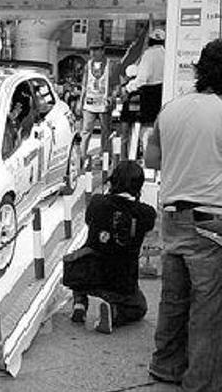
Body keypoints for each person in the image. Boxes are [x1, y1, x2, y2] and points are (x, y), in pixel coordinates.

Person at [147, 39, 222, 391]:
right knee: (213, 311)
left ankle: (166, 368)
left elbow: (154, 160)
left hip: (173, 220)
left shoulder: (172, 108)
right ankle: (203, 383)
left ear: (201, 70)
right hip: (217, 226)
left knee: (174, 302)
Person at [64, 161, 157, 333]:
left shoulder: (97, 202)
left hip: (88, 275)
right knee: (139, 306)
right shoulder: (147, 213)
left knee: (80, 258)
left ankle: (80, 302)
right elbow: (149, 231)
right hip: (121, 282)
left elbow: (88, 222)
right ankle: (114, 313)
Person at [123, 29, 166, 158]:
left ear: (150, 41)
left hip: (149, 95)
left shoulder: (149, 54)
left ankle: (142, 158)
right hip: (162, 94)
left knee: (144, 130)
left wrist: (129, 88)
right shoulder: (166, 54)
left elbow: (142, 79)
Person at [79, 39, 120, 168]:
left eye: (96, 50)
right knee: (86, 131)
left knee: (105, 132)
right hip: (89, 104)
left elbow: (116, 85)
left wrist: (112, 97)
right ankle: (82, 156)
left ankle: (105, 156)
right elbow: (84, 85)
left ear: (102, 51)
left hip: (103, 105)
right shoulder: (88, 65)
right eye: (91, 50)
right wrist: (80, 102)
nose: (93, 52)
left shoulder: (110, 65)